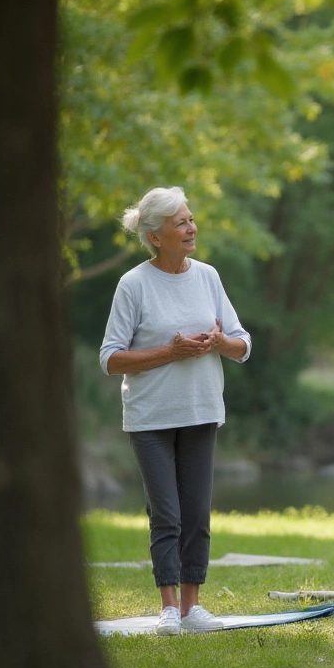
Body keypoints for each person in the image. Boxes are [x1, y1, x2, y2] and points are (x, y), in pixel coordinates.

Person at [99, 187, 251, 635]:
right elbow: (110, 358)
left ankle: (192, 607)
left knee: (196, 514)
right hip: (151, 418)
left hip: (201, 411)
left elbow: (243, 343)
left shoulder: (207, 276)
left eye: (190, 219)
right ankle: (167, 608)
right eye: (180, 223)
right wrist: (170, 351)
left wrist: (221, 343)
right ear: (155, 237)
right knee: (166, 512)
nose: (191, 228)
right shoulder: (133, 285)